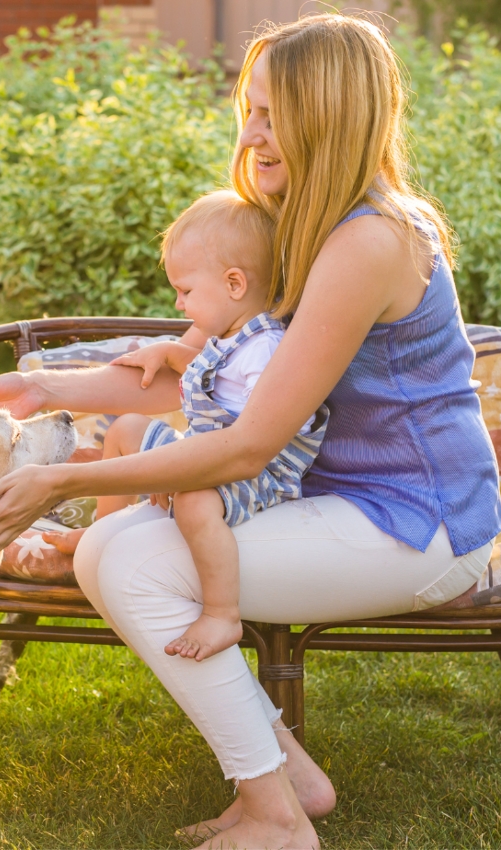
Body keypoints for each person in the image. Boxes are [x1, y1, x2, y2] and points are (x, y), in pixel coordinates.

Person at [0, 13, 501, 850]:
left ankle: (275, 818)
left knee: (124, 559)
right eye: (248, 112)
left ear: (331, 112)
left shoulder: (369, 242)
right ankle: (286, 780)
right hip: (337, 504)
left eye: (270, 114)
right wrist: (40, 384)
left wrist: (59, 482)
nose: (250, 137)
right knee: (119, 549)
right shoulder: (303, 223)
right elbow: (214, 376)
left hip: (415, 524)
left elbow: (248, 444)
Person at [46, 189, 326, 663]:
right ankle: (100, 529)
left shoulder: (267, 349)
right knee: (125, 430)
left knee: (196, 501)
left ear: (235, 283)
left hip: (256, 473)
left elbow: (260, 427)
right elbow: (216, 379)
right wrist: (172, 353)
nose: (178, 304)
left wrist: (176, 474)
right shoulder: (234, 335)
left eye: (186, 291)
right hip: (207, 452)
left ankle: (222, 613)